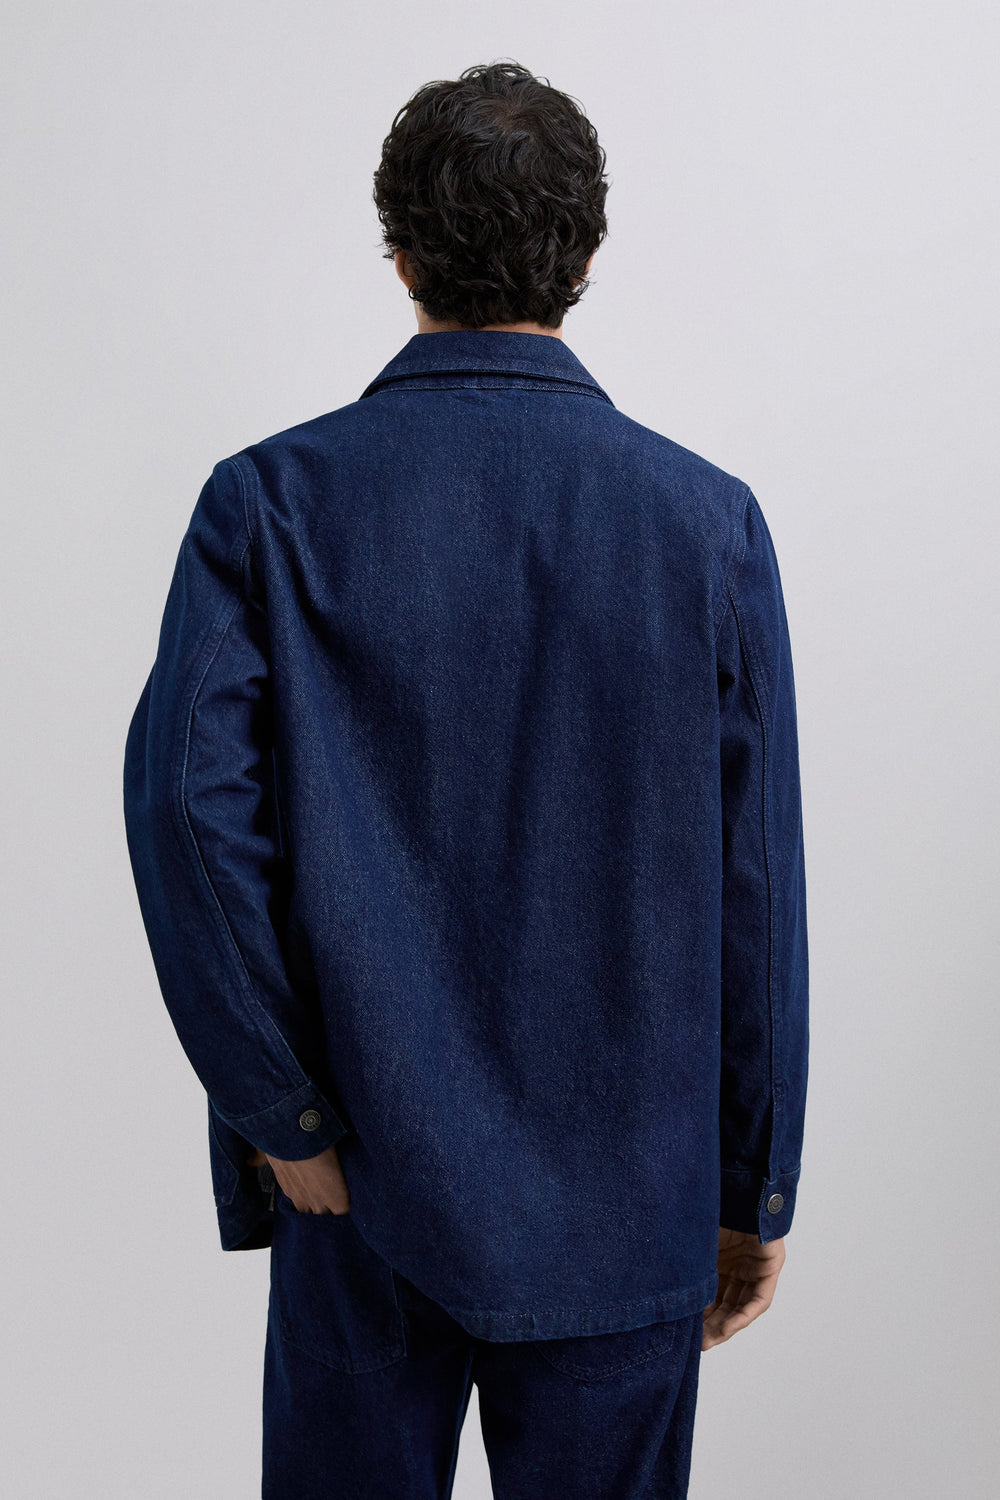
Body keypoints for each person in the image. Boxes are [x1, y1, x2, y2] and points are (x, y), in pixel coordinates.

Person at [123, 58, 808, 1500]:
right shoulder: (707, 526)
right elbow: (756, 885)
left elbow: (189, 815)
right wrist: (753, 1184)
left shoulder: (271, 503)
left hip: (361, 1183)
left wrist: (283, 1114)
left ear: (400, 252)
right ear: (588, 252)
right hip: (629, 1203)